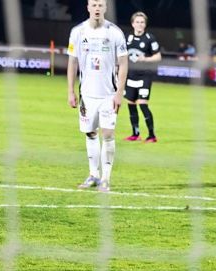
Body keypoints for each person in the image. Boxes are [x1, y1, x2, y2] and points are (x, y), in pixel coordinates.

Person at [67, 0, 128, 191]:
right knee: (90, 133)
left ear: (105, 8)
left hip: (109, 94)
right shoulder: (78, 32)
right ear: (88, 7)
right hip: (87, 94)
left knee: (108, 134)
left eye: (100, 5)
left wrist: (119, 93)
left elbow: (124, 63)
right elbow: (72, 63)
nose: (97, 8)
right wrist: (70, 91)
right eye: (93, 5)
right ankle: (93, 175)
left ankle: (106, 178)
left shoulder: (114, 32)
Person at [124, 11, 161, 143]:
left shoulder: (150, 38)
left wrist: (145, 59)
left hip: (145, 76)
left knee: (142, 104)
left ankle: (152, 136)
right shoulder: (127, 38)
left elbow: (158, 56)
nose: (140, 24)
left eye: (142, 22)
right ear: (133, 24)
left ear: (145, 24)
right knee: (131, 104)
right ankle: (135, 134)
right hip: (130, 75)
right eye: (137, 22)